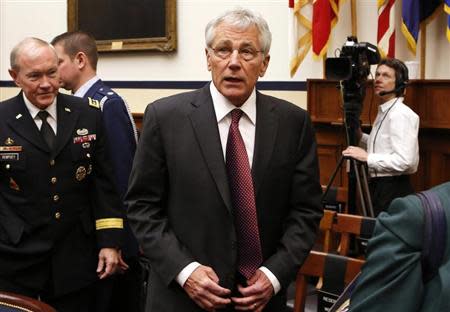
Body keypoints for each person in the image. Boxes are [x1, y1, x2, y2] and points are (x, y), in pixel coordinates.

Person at [126, 8, 323, 312]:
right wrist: (185, 271)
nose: (233, 62)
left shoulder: (293, 123)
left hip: (261, 301)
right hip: (182, 300)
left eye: (247, 52)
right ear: (208, 58)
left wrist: (273, 276)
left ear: (264, 64)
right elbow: (142, 207)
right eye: (223, 50)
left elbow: (305, 212)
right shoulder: (164, 118)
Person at [0, 38, 124, 311]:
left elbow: (104, 184)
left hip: (76, 254)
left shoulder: (87, 114)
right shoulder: (2, 119)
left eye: (52, 73)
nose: (46, 84)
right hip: (16, 255)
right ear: (15, 77)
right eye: (34, 76)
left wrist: (110, 242)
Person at [51, 31, 142, 312]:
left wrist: (123, 243)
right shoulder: (70, 107)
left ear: (80, 60)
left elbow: (122, 177)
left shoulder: (105, 104)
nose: (53, 71)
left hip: (113, 242)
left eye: (58, 62)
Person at [348, 181, 450, 311]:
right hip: (373, 184)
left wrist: (371, 159)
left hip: (393, 185)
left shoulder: (414, 217)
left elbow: (407, 161)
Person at [342, 58, 419, 216]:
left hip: (393, 189)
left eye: (385, 75)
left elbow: (407, 161)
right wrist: (360, 136)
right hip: (379, 186)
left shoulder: (401, 115)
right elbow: (384, 145)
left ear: (399, 83)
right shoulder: (385, 110)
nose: (378, 79)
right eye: (377, 74)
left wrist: (367, 158)